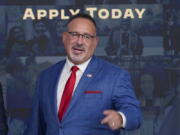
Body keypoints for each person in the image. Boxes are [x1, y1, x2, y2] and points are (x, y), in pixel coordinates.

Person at [25, 13, 142, 135]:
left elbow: (134, 114)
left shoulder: (115, 76)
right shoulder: (46, 76)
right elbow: (35, 127)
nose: (79, 42)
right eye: (74, 34)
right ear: (64, 37)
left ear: (95, 42)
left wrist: (120, 117)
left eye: (86, 36)